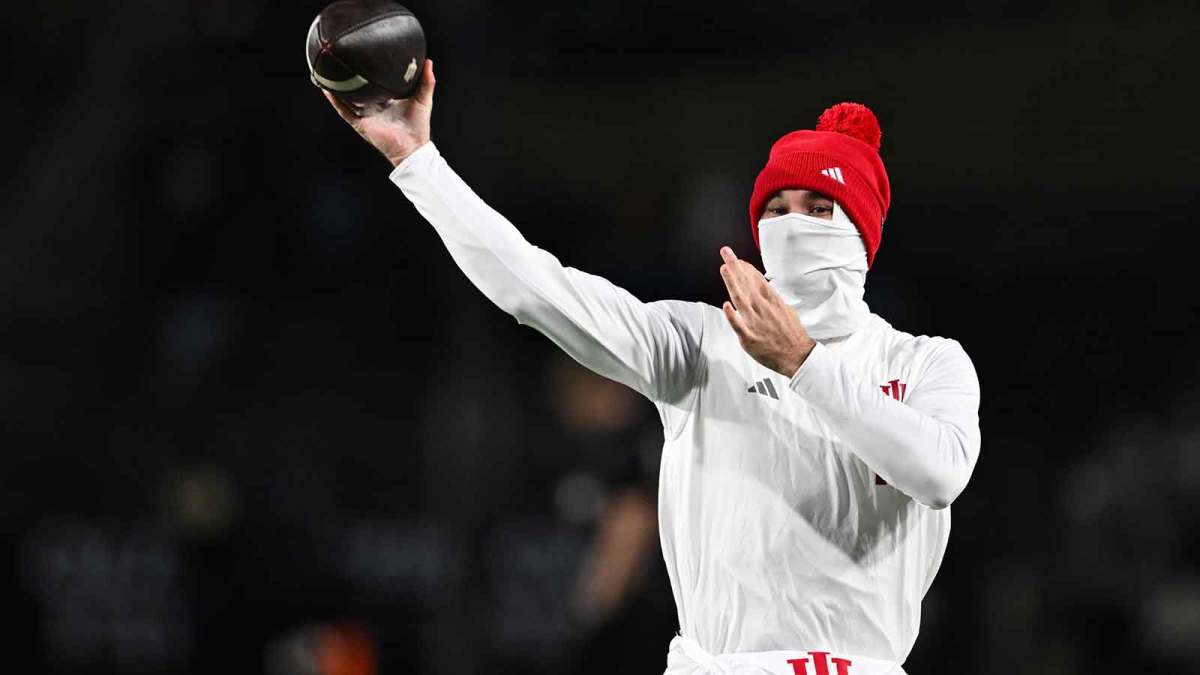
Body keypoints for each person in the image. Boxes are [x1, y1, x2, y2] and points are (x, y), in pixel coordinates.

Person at [320, 59, 982, 675]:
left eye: (819, 207)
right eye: (776, 209)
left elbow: (940, 472)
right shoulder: (701, 343)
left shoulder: (925, 361)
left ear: (863, 230)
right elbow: (537, 289)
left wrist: (802, 363)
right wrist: (419, 162)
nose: (793, 224)